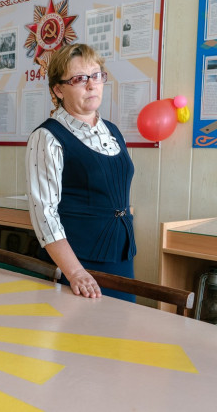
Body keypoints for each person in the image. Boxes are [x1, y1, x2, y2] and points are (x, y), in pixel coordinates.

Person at [26, 43, 135, 300]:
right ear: (58, 89)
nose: (91, 85)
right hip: (75, 264)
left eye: (96, 76)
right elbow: (44, 215)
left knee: (122, 325)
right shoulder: (47, 137)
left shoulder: (112, 131)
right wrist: (75, 272)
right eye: (79, 79)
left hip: (120, 256)